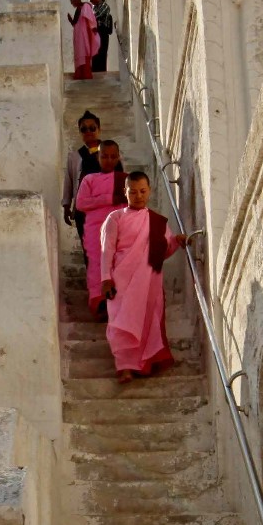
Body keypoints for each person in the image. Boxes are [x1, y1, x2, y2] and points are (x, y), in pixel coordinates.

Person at [98, 170, 185, 382]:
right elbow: (107, 249)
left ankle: (146, 362)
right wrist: (105, 278)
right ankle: (125, 367)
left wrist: (177, 241)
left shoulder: (157, 222)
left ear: (150, 191)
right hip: (121, 278)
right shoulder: (115, 218)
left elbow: (163, 250)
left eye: (143, 191)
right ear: (125, 192)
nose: (138, 196)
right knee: (121, 322)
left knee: (147, 319)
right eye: (133, 192)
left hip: (149, 280)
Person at [75, 140, 128, 316]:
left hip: (118, 229)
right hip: (94, 231)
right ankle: (99, 302)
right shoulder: (89, 179)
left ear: (118, 157)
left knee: (117, 263)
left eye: (113, 156)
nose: (108, 160)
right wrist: (108, 198)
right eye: (104, 156)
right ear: (98, 157)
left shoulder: (124, 180)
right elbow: (81, 204)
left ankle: (118, 302)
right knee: (96, 263)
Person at [63, 112, 103, 232]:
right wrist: (66, 206)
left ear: (99, 129)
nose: (88, 132)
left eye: (92, 128)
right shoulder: (74, 157)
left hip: (105, 208)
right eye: (84, 129)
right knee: (88, 247)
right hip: (82, 210)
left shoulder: (110, 153)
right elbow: (69, 182)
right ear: (80, 132)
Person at [69, 0, 98, 80]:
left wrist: (93, 30)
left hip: (84, 36)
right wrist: (70, 20)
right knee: (79, 54)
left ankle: (86, 74)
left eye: (72, 1)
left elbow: (91, 20)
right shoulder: (78, 9)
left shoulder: (85, 6)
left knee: (84, 53)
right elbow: (75, 23)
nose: (71, 3)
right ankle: (79, 74)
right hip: (78, 37)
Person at [88, 0, 113, 72]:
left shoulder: (104, 6)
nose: (90, 1)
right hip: (96, 33)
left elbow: (95, 17)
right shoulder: (95, 7)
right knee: (95, 54)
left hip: (102, 33)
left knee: (101, 54)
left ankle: (101, 72)